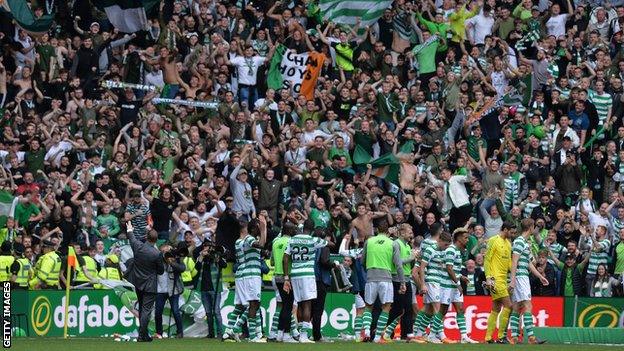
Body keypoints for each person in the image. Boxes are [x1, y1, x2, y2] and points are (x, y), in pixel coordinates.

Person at [222, 214, 267, 342]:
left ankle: (233, 332)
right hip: (250, 274)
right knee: (253, 304)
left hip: (243, 274)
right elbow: (261, 245)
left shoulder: (239, 241)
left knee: (242, 306)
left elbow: (261, 244)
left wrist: (264, 228)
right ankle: (239, 331)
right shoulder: (248, 239)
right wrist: (263, 229)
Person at [283, 220, 329, 343]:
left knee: (300, 304)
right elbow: (328, 243)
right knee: (307, 304)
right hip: (307, 274)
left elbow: (285, 258)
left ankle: (300, 334)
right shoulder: (313, 240)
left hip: (295, 274)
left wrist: (286, 277)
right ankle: (303, 336)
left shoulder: (292, 239)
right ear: (313, 229)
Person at [360, 221, 406, 343]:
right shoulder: (392, 243)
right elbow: (398, 265)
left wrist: (368, 271)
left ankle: (367, 332)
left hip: (371, 278)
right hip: (386, 278)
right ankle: (377, 337)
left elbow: (362, 261)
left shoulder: (369, 242)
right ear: (388, 231)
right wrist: (402, 282)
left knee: (368, 306)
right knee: (386, 307)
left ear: (376, 230)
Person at [509, 218, 548, 344]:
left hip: (521, 276)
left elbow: (531, 263)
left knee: (517, 306)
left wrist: (540, 276)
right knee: (527, 306)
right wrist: (513, 280)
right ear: (531, 227)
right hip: (520, 277)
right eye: (534, 227)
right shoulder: (520, 242)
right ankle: (531, 337)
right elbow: (514, 260)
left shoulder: (524, 242)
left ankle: (514, 337)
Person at [124, 224, 165, 342]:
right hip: (150, 285)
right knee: (146, 310)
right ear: (156, 240)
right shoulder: (157, 254)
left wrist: (129, 228)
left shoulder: (138, 246)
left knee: (142, 309)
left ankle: (144, 334)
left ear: (146, 237)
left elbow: (131, 237)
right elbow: (161, 271)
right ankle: (142, 335)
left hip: (138, 282)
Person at [413, 232, 452, 344]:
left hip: (438, 282)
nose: (446, 247)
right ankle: (438, 335)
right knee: (437, 308)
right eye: (445, 245)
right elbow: (422, 267)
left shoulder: (442, 251)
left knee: (428, 309)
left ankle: (418, 334)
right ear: (439, 240)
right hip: (431, 282)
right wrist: (423, 284)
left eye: (447, 246)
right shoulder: (430, 249)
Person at [442, 228, 478, 343]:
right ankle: (434, 334)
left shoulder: (458, 251)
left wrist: (461, 277)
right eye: (465, 237)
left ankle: (464, 337)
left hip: (454, 284)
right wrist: (458, 283)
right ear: (458, 238)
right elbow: (448, 268)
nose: (467, 240)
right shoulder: (451, 250)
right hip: (447, 285)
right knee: (442, 311)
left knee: (460, 309)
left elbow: (454, 269)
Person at [484, 221, 515, 344]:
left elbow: (508, 263)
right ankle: (501, 336)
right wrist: (488, 278)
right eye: (511, 232)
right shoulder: (493, 240)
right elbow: (487, 260)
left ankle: (488, 338)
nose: (512, 234)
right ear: (505, 229)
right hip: (494, 279)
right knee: (509, 306)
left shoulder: (508, 243)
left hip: (503, 279)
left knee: (496, 307)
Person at [195, 239, 228, 339]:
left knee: (216, 311)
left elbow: (224, 265)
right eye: (205, 246)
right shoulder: (201, 257)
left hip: (215, 287)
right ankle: (211, 333)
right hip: (204, 288)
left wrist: (216, 257)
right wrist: (201, 255)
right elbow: (197, 267)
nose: (206, 248)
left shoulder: (216, 255)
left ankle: (220, 333)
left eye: (208, 246)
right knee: (208, 313)